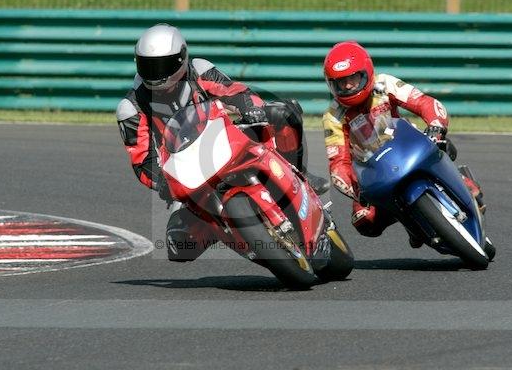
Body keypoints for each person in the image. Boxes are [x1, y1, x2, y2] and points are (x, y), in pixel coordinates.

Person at [117, 23, 329, 261]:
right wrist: (162, 182)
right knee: (179, 245)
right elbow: (143, 160)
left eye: (161, 66)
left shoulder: (198, 70)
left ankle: (299, 174)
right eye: (147, 66)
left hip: (228, 140)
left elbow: (234, 91)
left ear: (181, 59)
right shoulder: (131, 109)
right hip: (188, 173)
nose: (155, 74)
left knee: (283, 113)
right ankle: (233, 230)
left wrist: (251, 108)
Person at [322, 41, 484, 247]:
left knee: (474, 191)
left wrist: (435, 126)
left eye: (352, 78)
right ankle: (411, 222)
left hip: (406, 146)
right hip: (374, 169)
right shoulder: (333, 117)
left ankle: (457, 177)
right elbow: (338, 163)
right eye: (341, 82)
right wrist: (356, 191)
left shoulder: (384, 84)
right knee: (364, 221)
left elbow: (423, 102)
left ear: (366, 73)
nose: (347, 86)